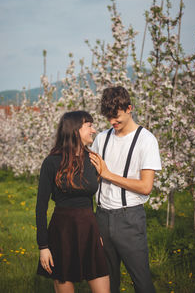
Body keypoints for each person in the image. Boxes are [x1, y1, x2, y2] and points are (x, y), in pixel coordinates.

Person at [90, 86, 162, 293]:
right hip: (101, 217)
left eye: (117, 117)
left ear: (129, 108)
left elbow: (146, 187)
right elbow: (91, 178)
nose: (113, 123)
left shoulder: (146, 140)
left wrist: (108, 174)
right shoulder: (101, 138)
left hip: (129, 218)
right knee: (107, 283)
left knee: (142, 283)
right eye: (109, 119)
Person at [36, 110, 110, 293]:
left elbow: (90, 200)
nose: (94, 130)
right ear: (75, 130)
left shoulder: (93, 160)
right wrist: (43, 247)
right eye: (89, 126)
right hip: (62, 232)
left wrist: (97, 231)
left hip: (89, 229)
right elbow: (40, 208)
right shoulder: (51, 162)